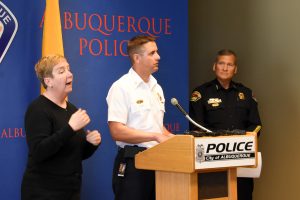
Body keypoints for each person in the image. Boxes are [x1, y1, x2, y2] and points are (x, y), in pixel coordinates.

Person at [21, 54, 101, 200]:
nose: (70, 74)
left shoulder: (71, 109)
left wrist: (90, 144)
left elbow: (75, 154)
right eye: (61, 71)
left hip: (71, 192)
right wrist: (70, 128)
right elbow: (39, 151)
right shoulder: (37, 109)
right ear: (48, 81)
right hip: (44, 193)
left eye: (68, 69)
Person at [106, 35, 174, 200]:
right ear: (137, 58)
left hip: (158, 161)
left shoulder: (156, 87)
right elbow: (117, 131)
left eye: (156, 52)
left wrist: (171, 138)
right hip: (133, 163)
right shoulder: (121, 87)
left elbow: (156, 126)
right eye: (152, 53)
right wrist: (156, 136)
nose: (158, 57)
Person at [189, 49, 262, 200]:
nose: (225, 68)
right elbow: (196, 128)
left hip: (241, 157)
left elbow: (256, 125)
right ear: (214, 66)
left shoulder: (246, 93)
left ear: (235, 69)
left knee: (243, 195)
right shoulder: (201, 93)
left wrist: (246, 139)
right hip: (213, 160)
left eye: (229, 64)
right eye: (221, 63)